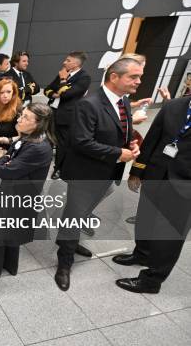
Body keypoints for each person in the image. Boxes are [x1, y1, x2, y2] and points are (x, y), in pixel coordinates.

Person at [54, 58, 143, 291]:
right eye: (133, 77)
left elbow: (122, 131)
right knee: (75, 215)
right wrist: (118, 153)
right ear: (114, 77)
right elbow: (82, 142)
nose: (139, 81)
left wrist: (131, 144)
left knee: (81, 213)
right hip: (86, 173)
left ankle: (67, 242)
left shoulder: (123, 102)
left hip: (107, 171)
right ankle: (64, 263)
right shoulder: (89, 104)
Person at [113, 95, 191, 294]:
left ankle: (152, 280)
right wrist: (137, 171)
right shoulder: (175, 105)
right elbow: (153, 138)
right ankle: (142, 254)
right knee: (146, 219)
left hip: (185, 185)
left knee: (169, 236)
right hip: (157, 173)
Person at [0, 103, 55, 287]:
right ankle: (9, 266)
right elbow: (11, 161)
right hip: (12, 193)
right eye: (21, 115)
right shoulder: (27, 138)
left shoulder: (38, 148)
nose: (19, 119)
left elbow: (5, 170)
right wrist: (8, 159)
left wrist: (3, 159)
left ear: (38, 124)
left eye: (25, 117)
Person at [44, 51, 91, 179]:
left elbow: (66, 95)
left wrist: (63, 80)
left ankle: (58, 169)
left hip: (65, 117)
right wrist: (54, 94)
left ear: (76, 63)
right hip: (51, 112)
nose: (64, 62)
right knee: (47, 141)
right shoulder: (62, 72)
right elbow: (47, 89)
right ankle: (42, 165)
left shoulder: (84, 77)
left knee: (61, 144)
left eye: (68, 60)